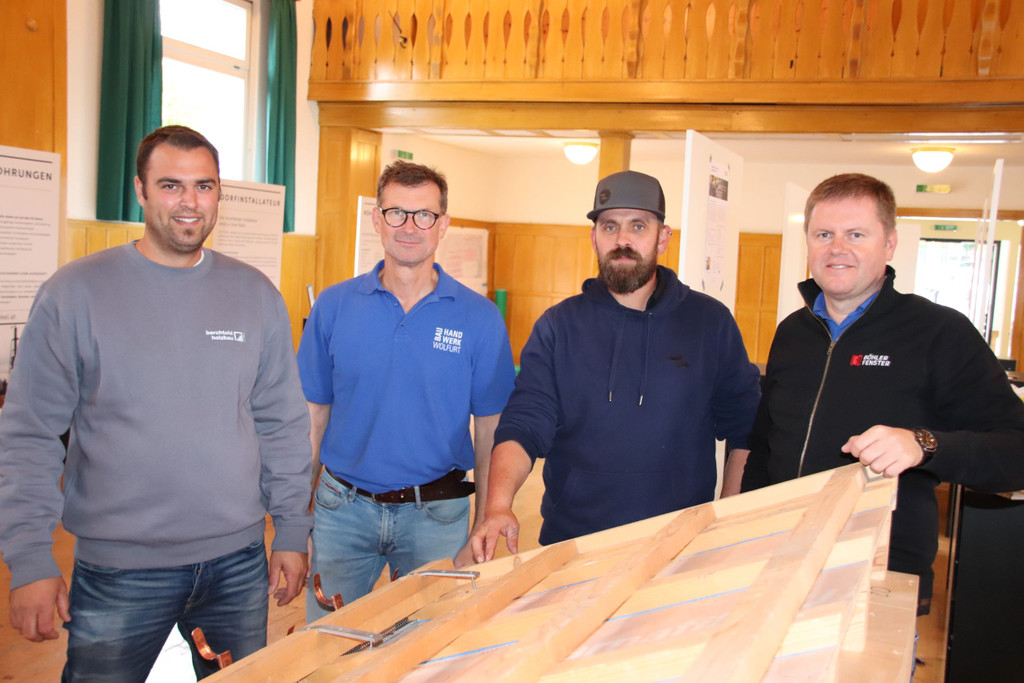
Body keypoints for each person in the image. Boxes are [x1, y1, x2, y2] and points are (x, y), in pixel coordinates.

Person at [0, 126, 313, 680]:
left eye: (204, 186)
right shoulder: (74, 293)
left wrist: (290, 530)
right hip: (119, 570)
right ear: (140, 191)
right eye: (171, 185)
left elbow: (282, 423)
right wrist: (28, 558)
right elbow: (30, 434)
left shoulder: (255, 294)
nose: (190, 201)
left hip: (238, 564)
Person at [741, 172, 1024, 615]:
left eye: (856, 234)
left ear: (889, 244)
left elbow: (1015, 452)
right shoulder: (792, 333)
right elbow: (765, 445)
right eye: (824, 234)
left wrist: (924, 444)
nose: (837, 248)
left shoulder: (939, 332)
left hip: (880, 575)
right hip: (778, 562)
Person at [470, 170, 761, 562]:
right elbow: (524, 424)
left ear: (662, 237)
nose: (623, 240)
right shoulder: (559, 326)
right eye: (610, 226)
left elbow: (744, 426)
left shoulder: (710, 322)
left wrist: (728, 514)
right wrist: (498, 505)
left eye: (638, 226)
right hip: (571, 545)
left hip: (679, 545)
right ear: (594, 238)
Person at [297, 160, 515, 617]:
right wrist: (298, 521)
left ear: (443, 225)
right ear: (377, 220)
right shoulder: (333, 307)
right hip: (341, 511)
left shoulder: (479, 318)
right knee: (327, 646)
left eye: (424, 215)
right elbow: (312, 420)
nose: (410, 226)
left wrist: (483, 522)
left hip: (436, 515)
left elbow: (489, 430)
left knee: (431, 643)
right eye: (396, 212)